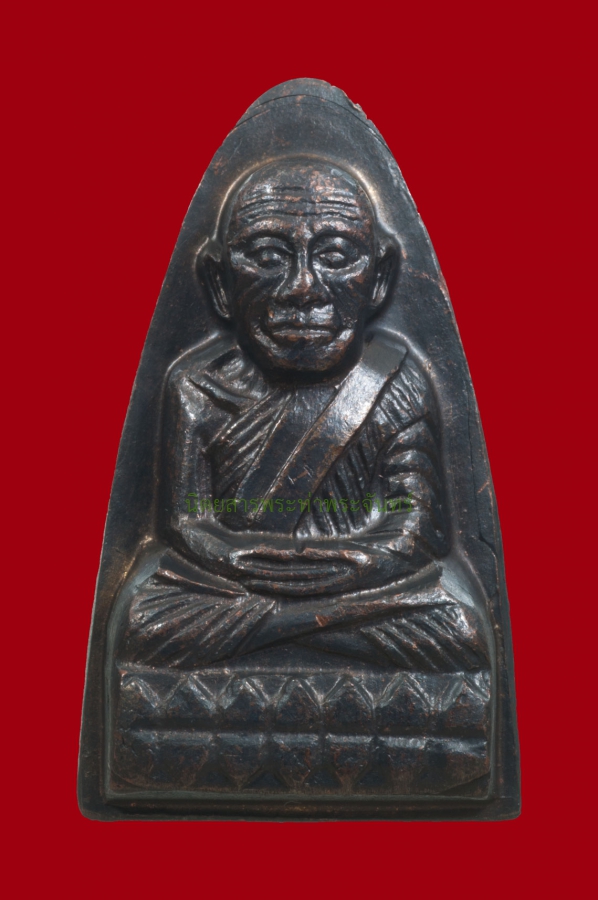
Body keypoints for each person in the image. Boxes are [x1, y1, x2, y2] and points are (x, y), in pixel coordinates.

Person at [112, 159, 488, 671]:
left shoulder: (395, 380)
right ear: (219, 281)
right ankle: (311, 627)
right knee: (145, 620)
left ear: (379, 278)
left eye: (336, 256)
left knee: (459, 627)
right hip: (238, 589)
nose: (303, 287)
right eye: (268, 257)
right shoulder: (198, 388)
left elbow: (419, 523)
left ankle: (291, 629)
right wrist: (232, 558)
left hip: (364, 589)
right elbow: (185, 522)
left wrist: (358, 564)